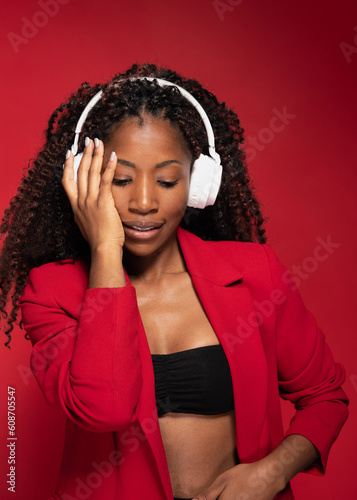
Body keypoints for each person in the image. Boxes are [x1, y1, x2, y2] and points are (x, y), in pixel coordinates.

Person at [0, 62, 349, 500]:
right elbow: (105, 408)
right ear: (83, 180)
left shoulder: (254, 273)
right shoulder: (53, 292)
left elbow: (325, 396)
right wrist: (106, 248)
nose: (144, 202)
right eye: (121, 179)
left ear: (200, 184)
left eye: (167, 180)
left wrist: (271, 473)